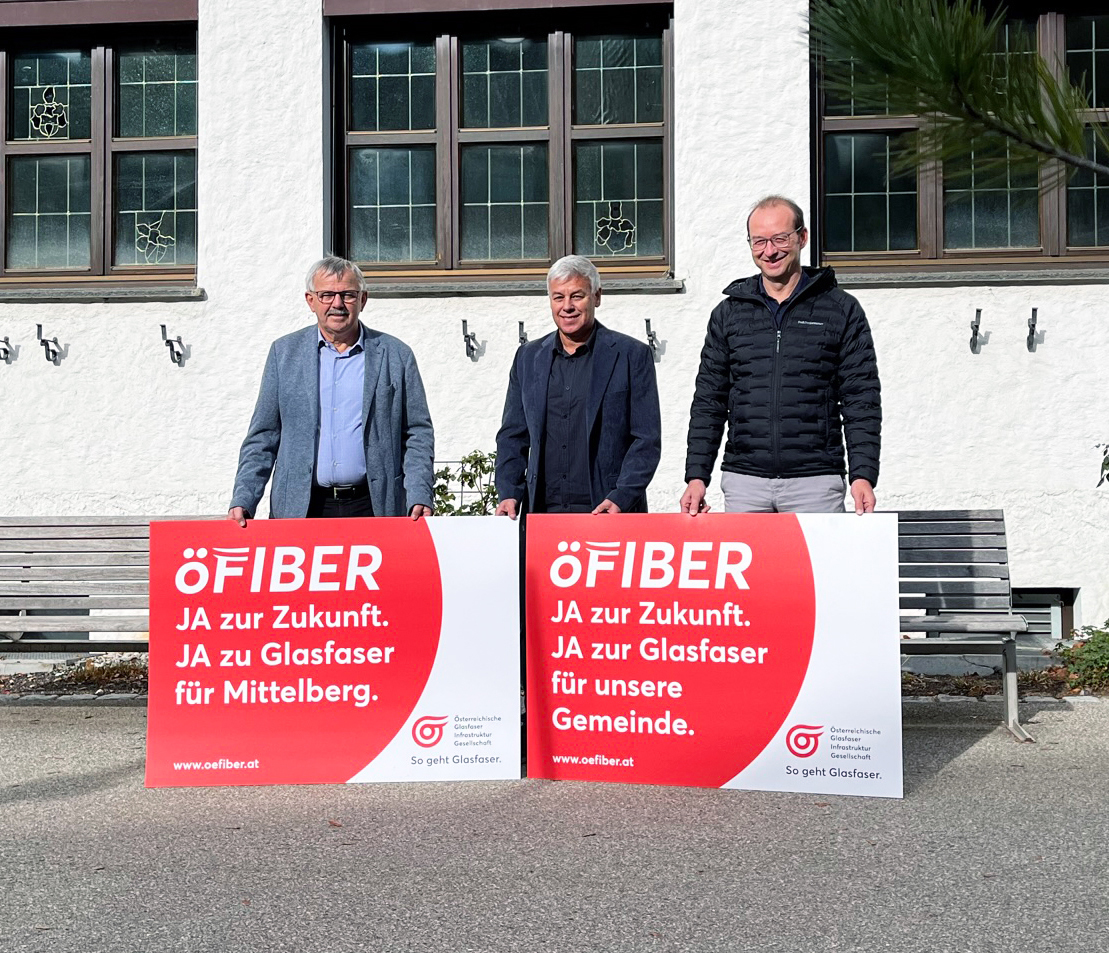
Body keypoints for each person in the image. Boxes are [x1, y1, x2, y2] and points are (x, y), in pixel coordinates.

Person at [680, 196, 880, 516]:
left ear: (802, 237)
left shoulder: (841, 310)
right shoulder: (729, 314)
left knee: (818, 569)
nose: (769, 251)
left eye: (780, 238)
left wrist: (862, 474)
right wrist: (696, 475)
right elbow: (709, 400)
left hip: (816, 483)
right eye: (759, 241)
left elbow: (861, 399)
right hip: (745, 483)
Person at [228, 256, 434, 523]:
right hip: (302, 509)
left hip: (374, 506)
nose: (337, 304)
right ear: (310, 300)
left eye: (347, 295)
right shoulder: (284, 354)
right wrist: (244, 498)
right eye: (326, 295)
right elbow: (263, 436)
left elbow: (417, 432)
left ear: (363, 299)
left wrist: (419, 493)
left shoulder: (396, 355)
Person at [494, 255, 661, 518]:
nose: (567, 306)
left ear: (597, 297)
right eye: (558, 297)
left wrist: (622, 497)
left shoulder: (631, 356)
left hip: (607, 512)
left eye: (577, 296)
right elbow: (512, 436)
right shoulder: (527, 358)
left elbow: (646, 440)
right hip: (543, 514)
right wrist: (508, 492)